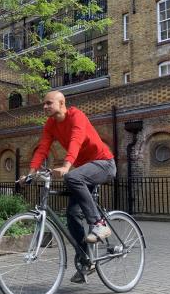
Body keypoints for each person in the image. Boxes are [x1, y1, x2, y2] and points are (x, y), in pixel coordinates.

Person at [20, 90, 116, 283]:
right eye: (44, 104)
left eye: (49, 103)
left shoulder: (76, 116)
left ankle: (99, 224)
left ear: (61, 102)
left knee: (72, 177)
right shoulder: (50, 124)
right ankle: (86, 260)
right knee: (72, 214)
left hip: (104, 164)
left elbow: (76, 140)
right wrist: (31, 174)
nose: (45, 107)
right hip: (85, 171)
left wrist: (66, 165)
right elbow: (43, 148)